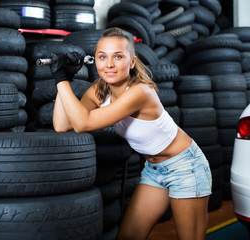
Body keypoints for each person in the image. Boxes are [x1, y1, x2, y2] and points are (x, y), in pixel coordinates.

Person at [50, 27, 212, 240]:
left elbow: (83, 123)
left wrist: (60, 80)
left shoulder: (141, 92)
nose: (109, 64)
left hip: (185, 167)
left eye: (118, 56)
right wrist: (68, 79)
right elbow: (62, 125)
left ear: (132, 61)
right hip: (154, 170)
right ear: (96, 61)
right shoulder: (99, 90)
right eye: (102, 57)